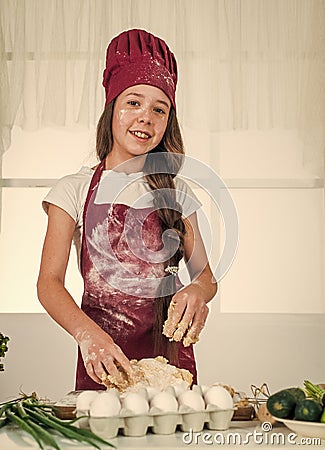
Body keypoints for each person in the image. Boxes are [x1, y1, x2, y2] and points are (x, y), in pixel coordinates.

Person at [37, 29, 217, 390]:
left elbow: (205, 277)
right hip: (104, 358)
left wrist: (198, 292)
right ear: (112, 108)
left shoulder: (177, 192)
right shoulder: (74, 189)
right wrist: (89, 336)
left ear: (168, 122)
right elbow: (48, 283)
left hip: (172, 364)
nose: (145, 117)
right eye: (133, 102)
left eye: (159, 109)